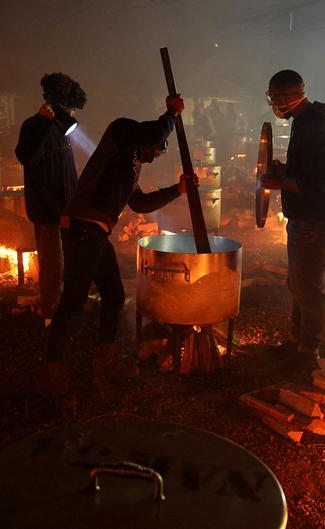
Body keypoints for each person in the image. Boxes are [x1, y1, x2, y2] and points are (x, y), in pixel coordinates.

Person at [44, 95, 194, 394]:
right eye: (158, 148)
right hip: (81, 228)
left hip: (95, 234)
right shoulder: (121, 132)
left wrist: (177, 190)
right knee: (73, 301)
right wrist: (171, 114)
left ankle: (104, 361)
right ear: (149, 138)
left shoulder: (128, 169)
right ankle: (52, 371)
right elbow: (154, 132)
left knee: (113, 296)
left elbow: (139, 203)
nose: (157, 153)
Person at [261, 69, 325, 364]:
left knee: (308, 286)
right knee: (299, 282)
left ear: (287, 97)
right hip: (309, 218)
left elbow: (317, 182)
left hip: (318, 220)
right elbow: (309, 170)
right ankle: (298, 341)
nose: (274, 104)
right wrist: (286, 171)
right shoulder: (308, 119)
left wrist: (278, 183)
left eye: (275, 98)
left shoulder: (312, 128)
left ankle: (309, 350)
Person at [14, 72, 86, 321]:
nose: (73, 115)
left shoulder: (61, 132)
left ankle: (64, 307)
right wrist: (44, 122)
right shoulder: (34, 126)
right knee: (53, 266)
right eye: (72, 109)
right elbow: (25, 156)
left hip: (66, 209)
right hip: (48, 212)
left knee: (66, 262)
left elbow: (67, 173)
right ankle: (51, 316)